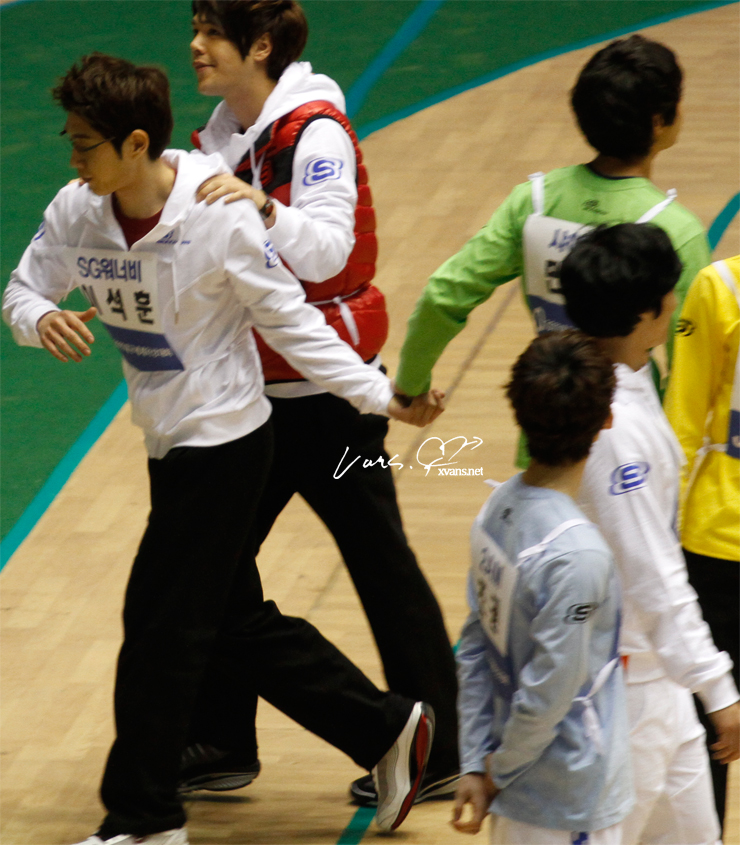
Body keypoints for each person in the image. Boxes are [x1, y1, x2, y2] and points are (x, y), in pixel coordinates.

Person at [2, 53, 439, 845]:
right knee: (228, 619)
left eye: (85, 144)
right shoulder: (78, 211)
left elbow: (291, 321)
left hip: (228, 441)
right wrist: (42, 319)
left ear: (137, 144)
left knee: (157, 623)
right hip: (165, 441)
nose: (72, 158)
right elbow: (23, 289)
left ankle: (144, 818)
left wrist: (380, 395)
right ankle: (384, 726)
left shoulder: (216, 213)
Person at [182, 0, 460, 805]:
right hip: (251, 395)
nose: (195, 45)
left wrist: (264, 207)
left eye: (211, 31)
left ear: (260, 46)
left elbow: (331, 252)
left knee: (380, 562)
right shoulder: (221, 134)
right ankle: (221, 738)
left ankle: (439, 747)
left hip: (329, 400)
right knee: (214, 566)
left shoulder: (316, 133)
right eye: (195, 27)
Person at [394, 34, 710, 416]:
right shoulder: (676, 231)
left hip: (547, 422)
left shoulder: (534, 201)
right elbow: (692, 365)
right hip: (637, 431)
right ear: (658, 122)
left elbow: (443, 295)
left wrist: (410, 387)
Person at [558, 223, 740, 845]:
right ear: (649, 312)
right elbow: (653, 572)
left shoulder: (628, 386)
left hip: (658, 680)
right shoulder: (616, 431)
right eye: (669, 291)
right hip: (621, 691)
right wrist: (718, 688)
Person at [452, 330, 634, 844]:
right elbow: (549, 694)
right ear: (606, 419)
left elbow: (474, 648)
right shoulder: (578, 557)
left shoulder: (496, 508)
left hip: (517, 788)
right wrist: (494, 772)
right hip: (564, 805)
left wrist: (477, 761)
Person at [663, 256, 740, 832]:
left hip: (718, 537)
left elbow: (684, 420)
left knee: (711, 718)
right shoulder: (720, 287)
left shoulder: (723, 285)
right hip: (720, 540)